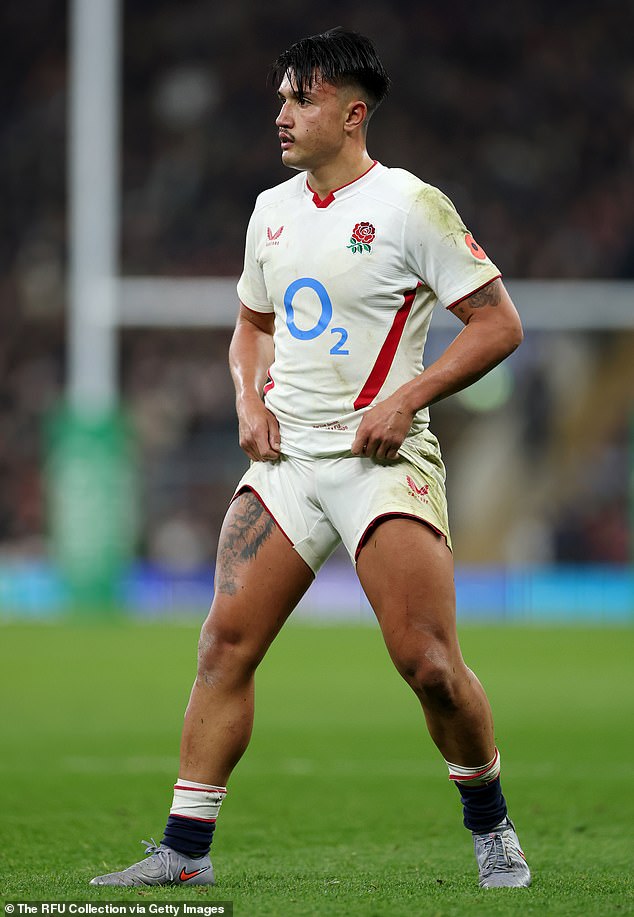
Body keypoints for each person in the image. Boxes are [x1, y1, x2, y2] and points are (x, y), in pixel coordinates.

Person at [91, 27, 530, 890]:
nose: (283, 113)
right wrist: (249, 400)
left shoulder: (412, 207)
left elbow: (500, 323)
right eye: (282, 97)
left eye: (302, 98)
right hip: (287, 466)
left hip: (382, 462)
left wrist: (406, 399)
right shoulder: (272, 210)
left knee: (429, 665)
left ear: (353, 113)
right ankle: (184, 853)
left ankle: (492, 825)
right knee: (224, 643)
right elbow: (250, 328)